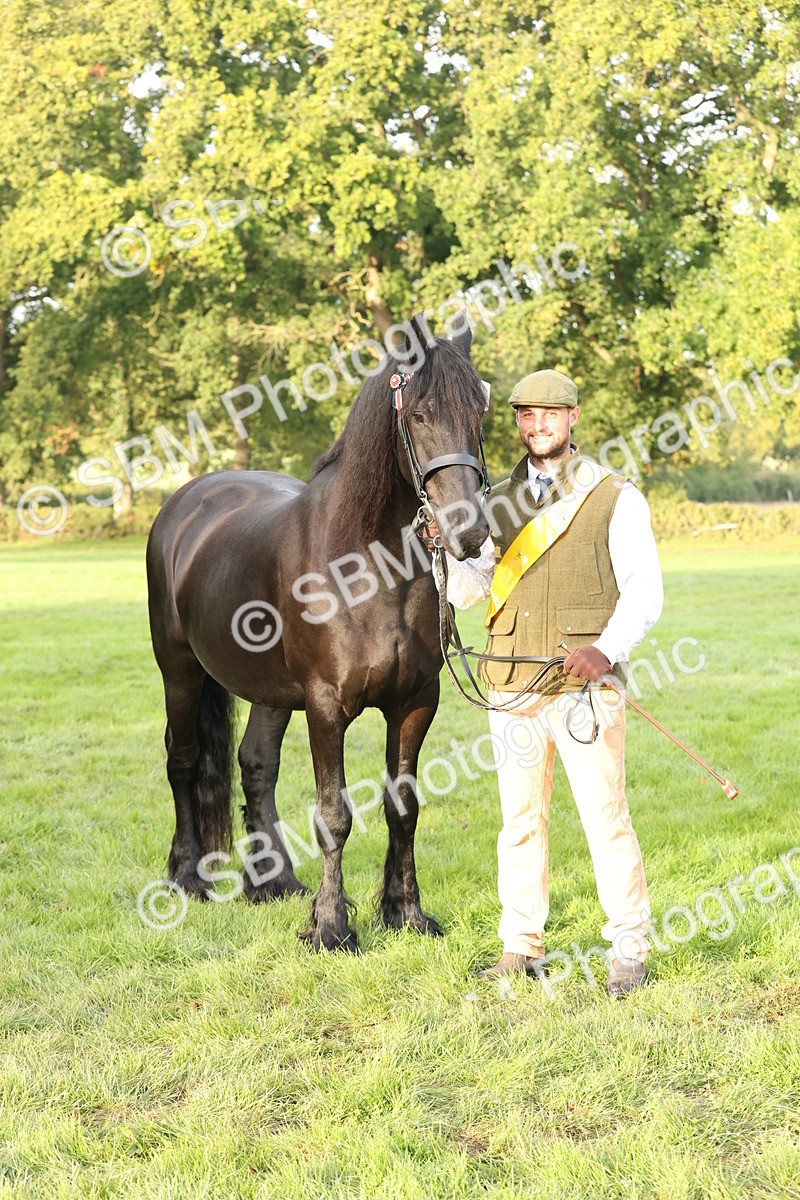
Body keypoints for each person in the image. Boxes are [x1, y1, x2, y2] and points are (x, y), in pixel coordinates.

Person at [441, 368, 663, 997]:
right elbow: (468, 592)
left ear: (572, 418)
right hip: (511, 684)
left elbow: (645, 594)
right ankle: (521, 945)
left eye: (549, 414)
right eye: (525, 415)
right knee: (520, 820)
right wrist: (449, 552)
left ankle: (628, 948)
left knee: (606, 817)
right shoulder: (493, 501)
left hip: (582, 689)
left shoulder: (616, 496)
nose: (536, 426)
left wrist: (607, 649)